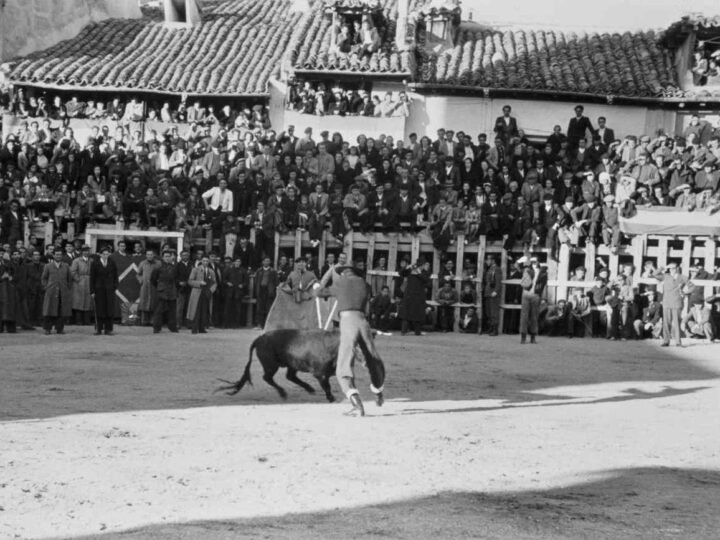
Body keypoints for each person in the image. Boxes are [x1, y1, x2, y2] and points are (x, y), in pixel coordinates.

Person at [314, 264, 386, 417]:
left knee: (344, 362)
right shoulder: (365, 285)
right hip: (363, 321)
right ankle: (378, 389)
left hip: (347, 321)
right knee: (372, 357)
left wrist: (323, 280)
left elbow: (319, 292)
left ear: (343, 274)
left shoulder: (340, 283)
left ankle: (356, 404)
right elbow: (367, 308)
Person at [651, 262, 690, 347]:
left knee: (676, 323)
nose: (672, 270)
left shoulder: (682, 277)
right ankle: (666, 341)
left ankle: (678, 342)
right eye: (671, 268)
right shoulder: (666, 276)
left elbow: (692, 286)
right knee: (666, 323)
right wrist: (663, 267)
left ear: (677, 268)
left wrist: (685, 292)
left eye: (674, 268)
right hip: (667, 302)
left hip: (677, 302)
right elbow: (654, 274)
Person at [41, 249, 72, 334]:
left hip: (63, 292)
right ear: (53, 255)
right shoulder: (48, 266)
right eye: (57, 255)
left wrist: (68, 289)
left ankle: (59, 328)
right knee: (49, 310)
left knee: (61, 311)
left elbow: (69, 279)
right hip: (51, 292)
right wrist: (46, 287)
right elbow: (44, 278)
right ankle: (47, 329)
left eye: (60, 255)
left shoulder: (66, 266)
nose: (58, 256)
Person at [89, 245, 118, 335]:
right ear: (100, 255)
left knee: (109, 309)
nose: (106, 256)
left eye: (107, 254)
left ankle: (108, 329)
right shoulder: (95, 263)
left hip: (109, 289)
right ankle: (99, 329)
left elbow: (115, 276)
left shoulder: (112, 263)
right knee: (100, 309)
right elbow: (92, 278)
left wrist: (114, 286)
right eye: (104, 254)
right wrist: (92, 291)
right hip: (99, 289)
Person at [519, 256, 547, 344]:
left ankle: (533, 336)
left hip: (535, 295)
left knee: (534, 317)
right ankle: (523, 336)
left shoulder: (543, 273)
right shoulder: (527, 270)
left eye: (535, 262)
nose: (534, 264)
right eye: (533, 262)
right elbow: (518, 265)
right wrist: (522, 259)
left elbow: (544, 286)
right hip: (526, 293)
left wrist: (543, 297)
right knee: (524, 317)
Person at [151, 250, 179, 333]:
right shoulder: (158, 267)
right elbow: (153, 279)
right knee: (158, 310)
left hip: (172, 291)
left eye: (169, 256)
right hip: (161, 291)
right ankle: (156, 328)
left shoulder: (174, 267)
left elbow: (176, 279)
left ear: (171, 257)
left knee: (172, 310)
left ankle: (172, 327)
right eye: (166, 256)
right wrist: (159, 287)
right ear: (162, 257)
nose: (167, 258)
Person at [187, 255, 215, 334]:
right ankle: (194, 328)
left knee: (204, 310)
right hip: (197, 292)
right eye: (204, 261)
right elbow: (190, 281)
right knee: (196, 310)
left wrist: (211, 291)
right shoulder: (195, 270)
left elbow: (215, 282)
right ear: (201, 261)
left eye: (207, 261)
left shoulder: (211, 271)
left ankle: (202, 327)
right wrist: (199, 283)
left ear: (209, 261)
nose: (205, 262)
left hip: (206, 293)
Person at [136, 249, 161, 326]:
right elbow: (138, 274)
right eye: (148, 254)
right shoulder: (142, 263)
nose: (149, 256)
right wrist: (141, 281)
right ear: (146, 255)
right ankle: (144, 321)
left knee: (154, 303)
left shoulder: (158, 263)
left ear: (154, 255)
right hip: (145, 287)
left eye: (151, 254)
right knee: (144, 303)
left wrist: (158, 282)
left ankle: (153, 321)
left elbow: (161, 273)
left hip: (154, 286)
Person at [70, 245, 93, 325]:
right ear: (82, 252)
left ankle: (87, 320)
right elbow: (72, 271)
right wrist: (78, 279)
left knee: (88, 302)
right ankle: (78, 320)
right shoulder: (76, 261)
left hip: (89, 282)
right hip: (79, 283)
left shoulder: (92, 261)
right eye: (84, 251)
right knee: (78, 302)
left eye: (87, 251)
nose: (86, 252)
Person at [254, 256, 277, 329]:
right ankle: (259, 324)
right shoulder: (259, 271)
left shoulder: (273, 271)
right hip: (261, 290)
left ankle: (267, 325)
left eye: (268, 261)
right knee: (259, 308)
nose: (267, 262)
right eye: (265, 261)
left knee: (268, 308)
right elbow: (256, 281)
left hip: (269, 290)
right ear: (263, 262)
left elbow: (276, 282)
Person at [483, 256, 501, 335]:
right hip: (488, 292)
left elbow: (498, 281)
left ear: (493, 260)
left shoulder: (497, 269)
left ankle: (495, 329)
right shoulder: (489, 269)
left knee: (494, 312)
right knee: (488, 312)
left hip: (492, 293)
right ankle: (490, 328)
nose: (486, 261)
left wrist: (496, 291)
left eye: (488, 259)